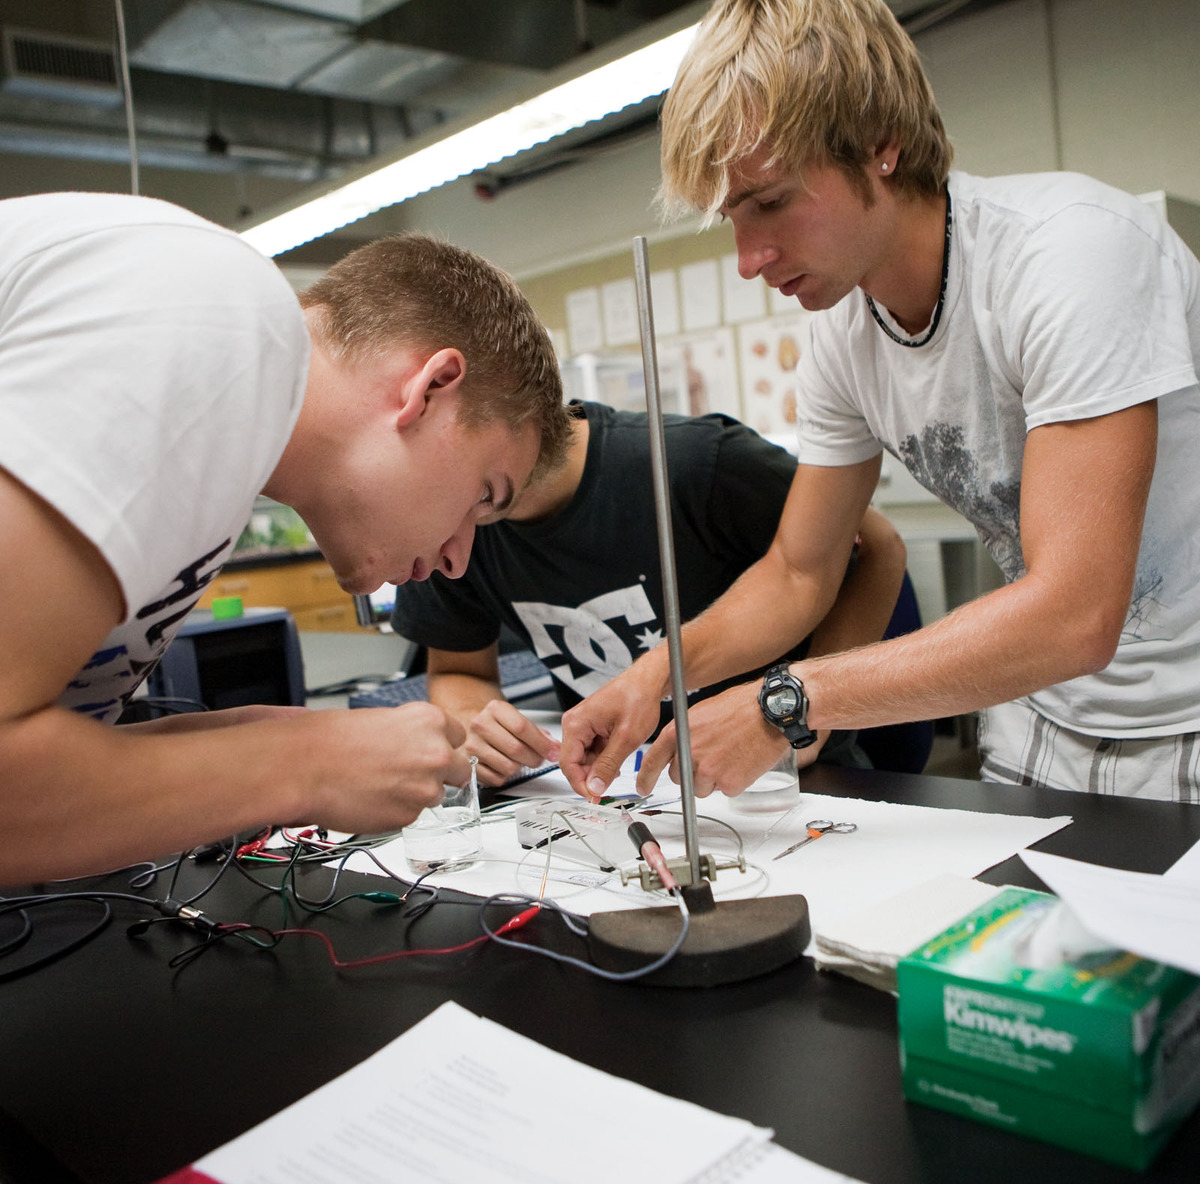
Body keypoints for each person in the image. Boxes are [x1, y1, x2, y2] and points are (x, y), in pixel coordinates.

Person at [560, 0, 1200, 805]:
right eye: (731, 218)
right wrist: (647, 680)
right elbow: (798, 570)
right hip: (1044, 719)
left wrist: (782, 701)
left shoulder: (1070, 254)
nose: (749, 259)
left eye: (770, 202)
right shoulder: (843, 338)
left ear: (880, 145)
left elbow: (1076, 612)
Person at [0, 191, 571, 887]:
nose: (458, 556)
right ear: (431, 388)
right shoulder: (215, 309)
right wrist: (305, 764)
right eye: (485, 495)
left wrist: (293, 742)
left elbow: (55, 766)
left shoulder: (223, 457)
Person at [390, 399, 916, 787]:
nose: (449, 551)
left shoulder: (700, 464)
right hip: (622, 795)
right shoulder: (452, 521)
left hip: (788, 785)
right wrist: (477, 725)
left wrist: (805, 719)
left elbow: (878, 546)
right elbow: (459, 670)